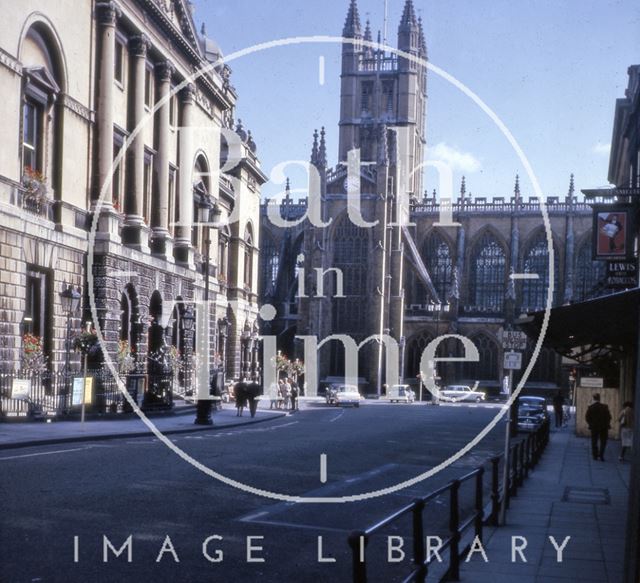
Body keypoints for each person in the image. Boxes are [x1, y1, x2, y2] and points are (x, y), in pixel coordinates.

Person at [585, 393, 612, 461]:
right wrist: (607, 423)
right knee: (603, 441)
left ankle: (595, 455)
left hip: (594, 427)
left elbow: (587, 417)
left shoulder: (591, 407)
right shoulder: (605, 407)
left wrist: (590, 424)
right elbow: (609, 417)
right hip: (604, 427)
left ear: (593, 398)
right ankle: (601, 455)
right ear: (599, 398)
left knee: (594, 441)